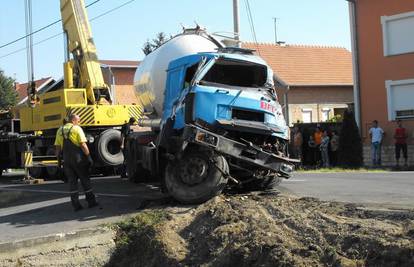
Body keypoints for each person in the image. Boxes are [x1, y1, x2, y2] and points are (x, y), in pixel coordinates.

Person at [55, 114, 98, 211]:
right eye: (78, 121)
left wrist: (58, 161)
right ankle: (91, 202)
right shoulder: (77, 129)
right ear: (73, 120)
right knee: (85, 180)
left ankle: (76, 205)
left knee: (72, 182)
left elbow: (57, 148)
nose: (79, 122)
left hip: (66, 160)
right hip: (78, 160)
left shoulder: (59, 130)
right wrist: (88, 157)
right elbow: (83, 145)